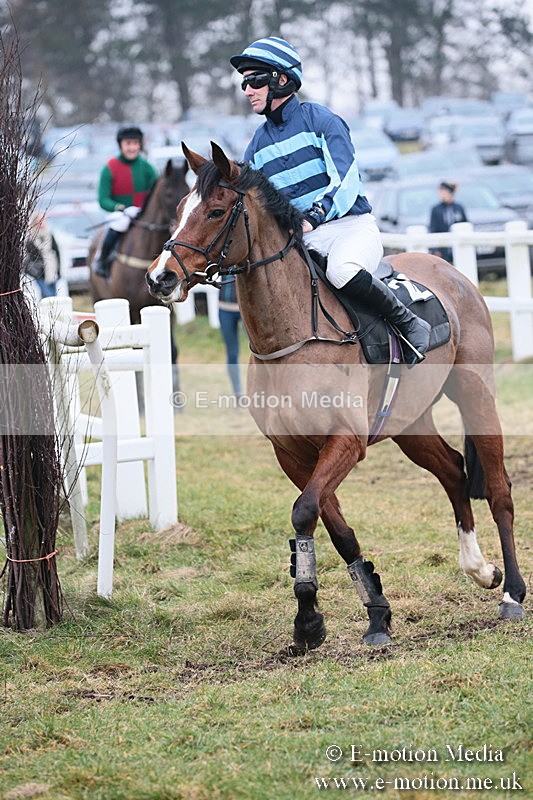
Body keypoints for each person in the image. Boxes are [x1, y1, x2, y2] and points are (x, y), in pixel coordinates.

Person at [230, 37, 431, 363]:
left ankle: (409, 323)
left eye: (255, 81)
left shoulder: (322, 121)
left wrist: (312, 217)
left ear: (281, 79)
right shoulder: (256, 145)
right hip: (303, 240)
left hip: (349, 228)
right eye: (244, 83)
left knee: (340, 272)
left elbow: (347, 183)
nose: (248, 90)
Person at [94, 126, 158, 278]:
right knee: (119, 224)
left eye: (135, 143)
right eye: (128, 143)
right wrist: (120, 207)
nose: (132, 147)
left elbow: (156, 193)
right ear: (121, 145)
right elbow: (103, 200)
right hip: (121, 213)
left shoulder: (148, 168)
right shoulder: (109, 168)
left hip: (143, 214)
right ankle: (102, 261)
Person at [429, 181, 468, 264]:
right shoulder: (436, 209)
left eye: (443, 192)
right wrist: (435, 249)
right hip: (443, 248)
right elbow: (433, 229)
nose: (441, 194)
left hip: (459, 246)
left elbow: (465, 224)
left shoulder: (459, 208)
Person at [23, 212, 60, 298]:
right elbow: (29, 258)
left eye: (44, 220)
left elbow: (57, 252)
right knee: (47, 296)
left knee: (54, 296)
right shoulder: (31, 239)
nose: (43, 222)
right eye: (40, 220)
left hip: (51, 270)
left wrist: (58, 271)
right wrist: (35, 272)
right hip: (39, 273)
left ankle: (52, 311)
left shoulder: (49, 235)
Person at [218, 276, 243, 402]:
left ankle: (263, 391)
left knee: (259, 351)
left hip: (247, 306)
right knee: (232, 353)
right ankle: (238, 394)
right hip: (225, 309)